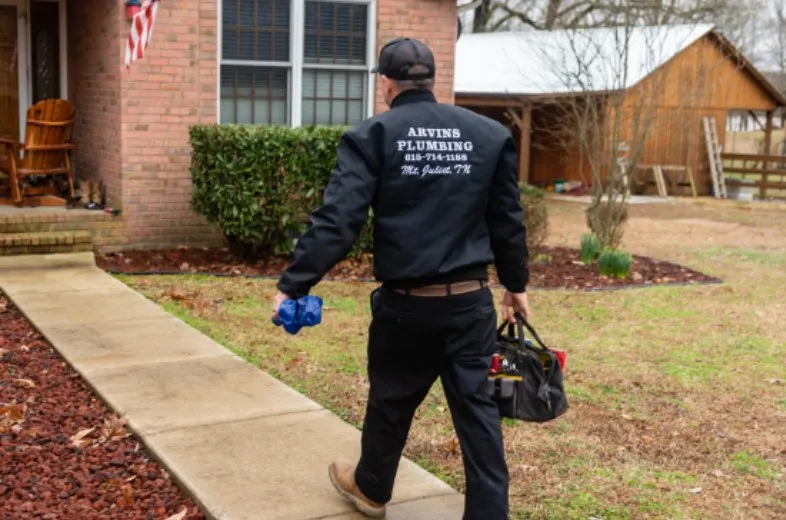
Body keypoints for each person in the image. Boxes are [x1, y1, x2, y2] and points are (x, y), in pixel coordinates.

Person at [273, 37, 530, 520]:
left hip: (407, 306)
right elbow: (507, 220)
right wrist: (515, 286)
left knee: (390, 400)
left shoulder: (373, 135)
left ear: (386, 84)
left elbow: (339, 220)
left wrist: (294, 284)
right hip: (470, 304)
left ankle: (371, 490)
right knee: (479, 416)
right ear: (432, 79)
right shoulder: (488, 135)